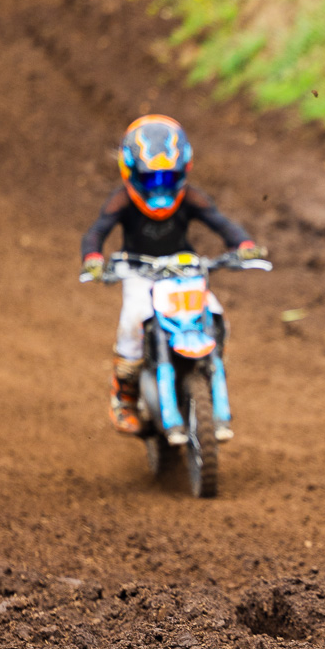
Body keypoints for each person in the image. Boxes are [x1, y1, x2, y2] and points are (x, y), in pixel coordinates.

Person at [81, 114, 265, 435]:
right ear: (130, 173)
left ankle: (208, 365)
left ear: (184, 171)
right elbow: (96, 232)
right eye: (151, 179)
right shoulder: (121, 200)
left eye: (169, 177)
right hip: (138, 272)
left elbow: (221, 222)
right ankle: (124, 397)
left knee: (215, 314)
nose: (160, 188)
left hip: (184, 270)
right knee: (132, 322)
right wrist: (93, 259)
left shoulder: (191, 197)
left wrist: (244, 246)